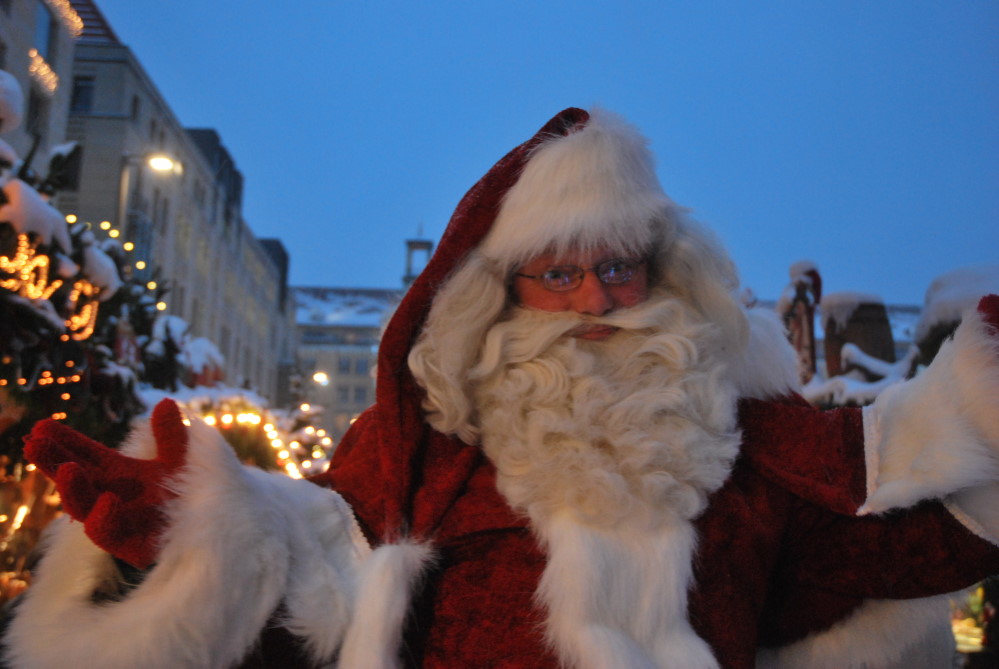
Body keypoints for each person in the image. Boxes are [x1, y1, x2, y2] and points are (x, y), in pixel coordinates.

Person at [4, 107, 999, 669]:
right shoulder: (425, 440)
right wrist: (201, 533)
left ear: (661, 270)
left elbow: (880, 552)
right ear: (508, 290)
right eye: (558, 273)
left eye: (619, 267)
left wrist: (982, 413)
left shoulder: (748, 438)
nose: (595, 299)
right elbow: (322, 590)